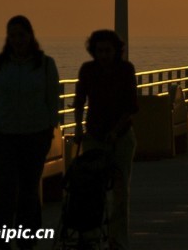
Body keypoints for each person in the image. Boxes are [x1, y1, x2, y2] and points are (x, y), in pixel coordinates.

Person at [0, 15, 60, 249]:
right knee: (4, 187)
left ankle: (27, 236)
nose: (17, 40)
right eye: (13, 35)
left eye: (21, 35)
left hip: (35, 134)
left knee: (28, 188)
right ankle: (0, 238)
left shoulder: (45, 64)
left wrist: (48, 127)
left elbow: (52, 99)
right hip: (3, 134)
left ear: (30, 36)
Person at [73, 30, 138, 250]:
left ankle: (117, 239)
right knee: (91, 189)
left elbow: (131, 107)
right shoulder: (88, 70)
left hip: (121, 138)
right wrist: (78, 128)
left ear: (116, 51)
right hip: (94, 135)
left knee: (120, 191)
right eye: (99, 51)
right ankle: (90, 236)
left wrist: (116, 130)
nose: (103, 55)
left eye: (107, 51)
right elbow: (79, 100)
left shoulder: (125, 70)